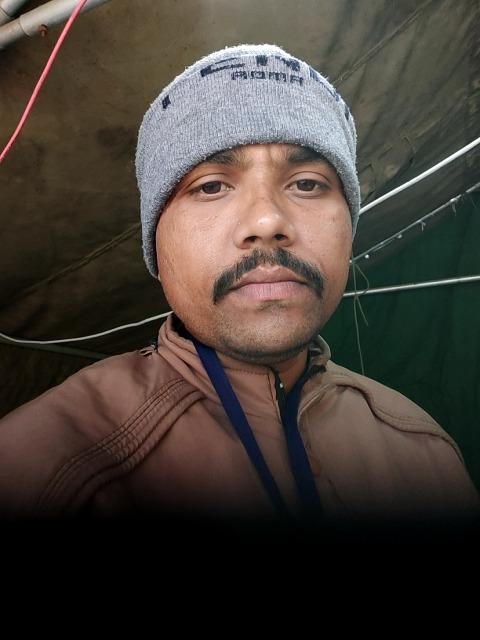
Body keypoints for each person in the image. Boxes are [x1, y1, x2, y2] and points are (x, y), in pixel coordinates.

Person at [0, 43, 479, 540]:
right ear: (156, 244)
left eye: (308, 183)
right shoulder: (42, 470)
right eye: (211, 186)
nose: (267, 221)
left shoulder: (423, 453)